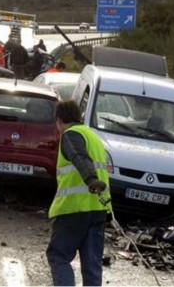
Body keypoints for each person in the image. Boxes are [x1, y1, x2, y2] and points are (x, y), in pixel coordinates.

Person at [46, 100, 112, 286]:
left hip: (73, 210)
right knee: (92, 266)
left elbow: (79, 156)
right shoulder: (94, 137)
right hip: (98, 209)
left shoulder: (70, 135)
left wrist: (91, 179)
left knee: (58, 256)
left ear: (59, 120)